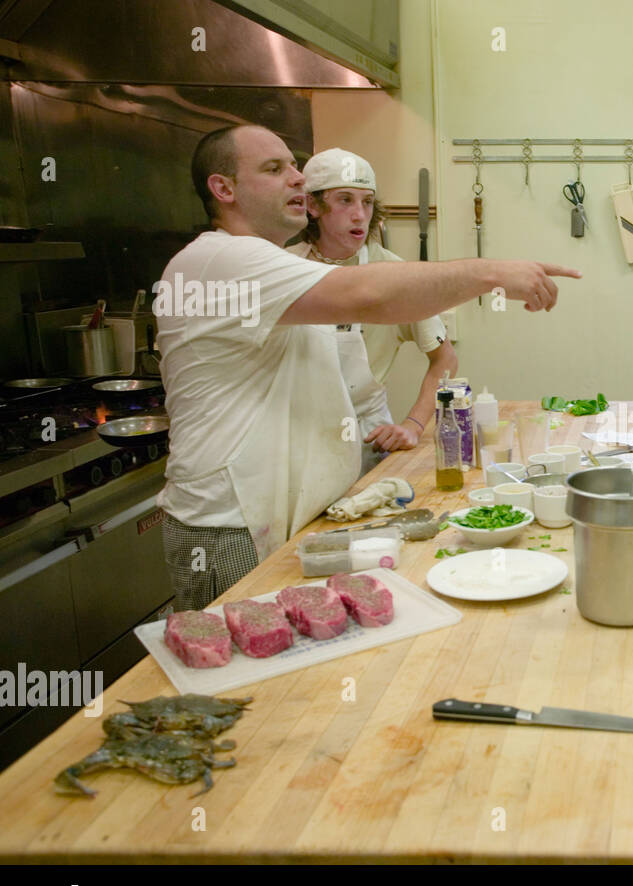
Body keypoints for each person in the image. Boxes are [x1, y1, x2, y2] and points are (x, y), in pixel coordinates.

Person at [157, 124, 578, 611]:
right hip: (229, 527)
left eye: (294, 166)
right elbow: (370, 294)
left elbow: (386, 304)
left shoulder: (272, 266)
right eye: (274, 169)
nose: (296, 178)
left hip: (275, 510)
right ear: (223, 189)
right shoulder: (222, 259)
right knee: (238, 673)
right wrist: (493, 272)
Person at [287, 148, 458, 473]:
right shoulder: (285, 267)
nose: (359, 215)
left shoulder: (392, 274)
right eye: (345, 200)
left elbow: (445, 359)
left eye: (367, 202)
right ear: (313, 205)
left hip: (367, 441)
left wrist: (414, 425)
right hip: (297, 440)